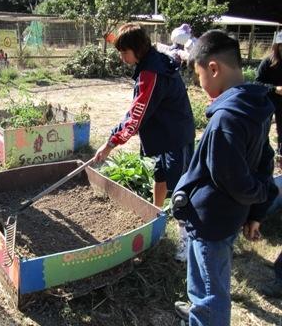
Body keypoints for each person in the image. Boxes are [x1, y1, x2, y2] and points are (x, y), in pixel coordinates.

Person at [172, 30, 278, 325]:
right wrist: (256, 211)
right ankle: (198, 307)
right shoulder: (254, 106)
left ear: (214, 68)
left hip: (212, 220)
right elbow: (265, 160)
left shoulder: (225, 119)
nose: (199, 82)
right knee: (205, 274)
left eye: (198, 74)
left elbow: (233, 179)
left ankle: (205, 314)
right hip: (225, 217)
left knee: (211, 290)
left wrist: (259, 196)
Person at [93, 23, 195, 262]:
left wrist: (109, 144)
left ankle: (187, 241)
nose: (121, 56)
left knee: (181, 188)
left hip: (176, 134)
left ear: (136, 49)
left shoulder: (151, 72)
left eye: (123, 51)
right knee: (160, 175)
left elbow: (135, 118)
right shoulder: (152, 61)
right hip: (165, 132)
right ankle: (155, 216)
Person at [256, 31, 282, 156]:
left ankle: (280, 155)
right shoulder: (268, 62)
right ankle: (260, 153)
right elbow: (257, 83)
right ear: (278, 46)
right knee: (263, 129)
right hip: (268, 100)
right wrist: (275, 89)